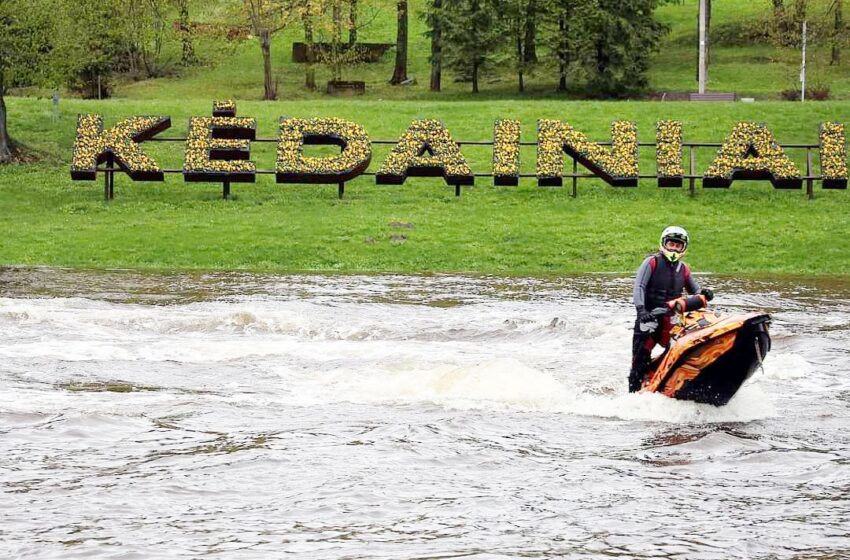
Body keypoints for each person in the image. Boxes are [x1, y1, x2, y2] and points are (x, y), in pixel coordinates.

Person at [629, 226, 714, 392]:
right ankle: (632, 396)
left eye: (678, 245)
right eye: (671, 244)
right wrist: (641, 311)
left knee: (676, 353)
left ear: (683, 248)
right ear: (663, 244)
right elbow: (639, 287)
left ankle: (671, 385)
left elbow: (696, 292)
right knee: (639, 359)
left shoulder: (684, 269)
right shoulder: (651, 262)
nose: (674, 248)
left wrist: (705, 294)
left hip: (672, 320)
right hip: (649, 319)